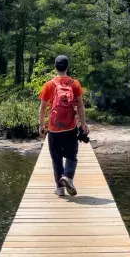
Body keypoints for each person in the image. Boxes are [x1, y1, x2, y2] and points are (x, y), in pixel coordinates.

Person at [38, 55, 89, 197]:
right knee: (71, 155)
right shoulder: (75, 84)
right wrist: (83, 124)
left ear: (55, 66)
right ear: (67, 67)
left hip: (54, 128)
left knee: (56, 157)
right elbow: (80, 106)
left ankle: (59, 189)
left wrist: (41, 125)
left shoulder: (49, 85)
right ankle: (67, 176)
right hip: (70, 127)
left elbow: (42, 107)